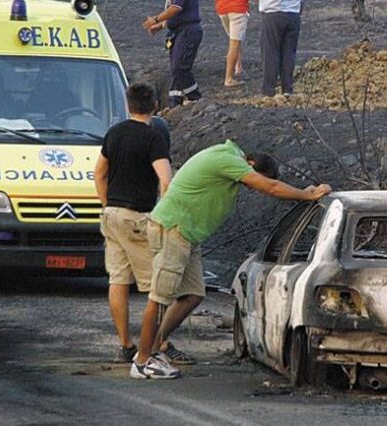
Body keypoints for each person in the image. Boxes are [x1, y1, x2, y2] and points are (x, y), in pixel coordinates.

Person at [130, 140, 332, 379]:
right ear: (251, 163)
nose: (249, 187)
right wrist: (307, 195)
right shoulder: (228, 160)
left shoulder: (227, 158)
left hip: (187, 234)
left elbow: (265, 184)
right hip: (173, 228)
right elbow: (271, 187)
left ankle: (154, 348)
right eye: (250, 180)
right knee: (160, 297)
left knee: (193, 294)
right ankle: (142, 361)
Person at [94, 83, 173, 363]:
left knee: (118, 279)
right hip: (139, 216)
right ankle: (157, 344)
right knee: (157, 284)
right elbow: (165, 178)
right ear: (154, 105)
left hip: (112, 214)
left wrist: (106, 204)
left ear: (128, 105)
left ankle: (125, 344)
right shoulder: (154, 138)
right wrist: (162, 214)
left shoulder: (113, 134)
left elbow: (99, 173)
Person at [143, 0, 203, 108]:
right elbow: (175, 13)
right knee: (175, 71)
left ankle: (196, 98)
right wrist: (160, 26)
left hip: (187, 31)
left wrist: (155, 20)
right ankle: (174, 104)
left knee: (179, 68)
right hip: (178, 32)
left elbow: (176, 8)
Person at [258, 0, 303, 96]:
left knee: (270, 53)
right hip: (293, 13)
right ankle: (287, 89)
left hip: (272, 12)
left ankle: (269, 90)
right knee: (289, 53)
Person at [216, 0, 249, 87]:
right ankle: (229, 79)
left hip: (222, 8)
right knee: (235, 43)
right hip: (238, 8)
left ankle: (238, 67)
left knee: (234, 39)